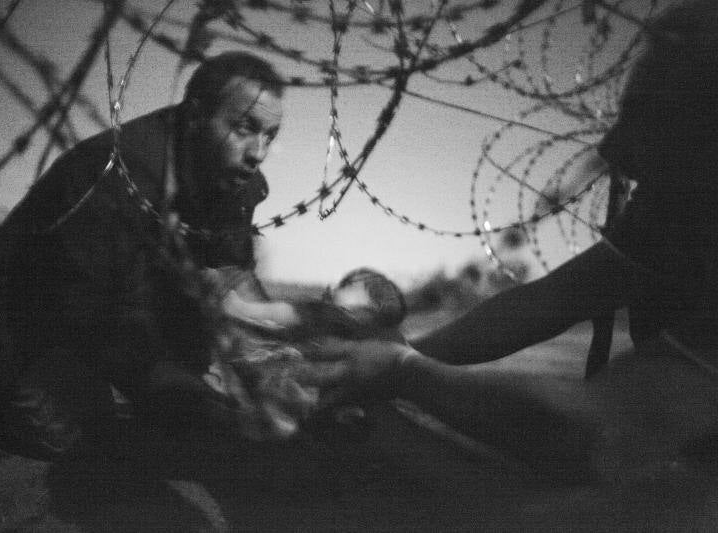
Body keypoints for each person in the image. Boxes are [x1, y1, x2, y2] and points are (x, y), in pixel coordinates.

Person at [301, 0, 718, 468]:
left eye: (654, 126)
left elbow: (606, 429)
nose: (620, 157)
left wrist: (404, 373)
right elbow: (556, 297)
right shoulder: (682, 198)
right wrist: (389, 357)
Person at [0, 51, 286, 457]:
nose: (259, 152)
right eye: (244, 128)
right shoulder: (113, 173)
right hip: (23, 350)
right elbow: (83, 312)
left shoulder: (236, 184)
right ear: (196, 115)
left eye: (270, 136)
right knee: (104, 442)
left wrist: (269, 370)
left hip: (113, 343)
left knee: (217, 421)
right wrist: (183, 385)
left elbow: (231, 283)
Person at [200, 266, 407, 440]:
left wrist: (242, 308)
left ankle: (249, 405)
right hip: (308, 381)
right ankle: (283, 419)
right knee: (287, 394)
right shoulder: (361, 333)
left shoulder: (328, 313)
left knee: (262, 372)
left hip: (287, 366)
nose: (340, 285)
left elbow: (283, 313)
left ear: (369, 307)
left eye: (351, 286)